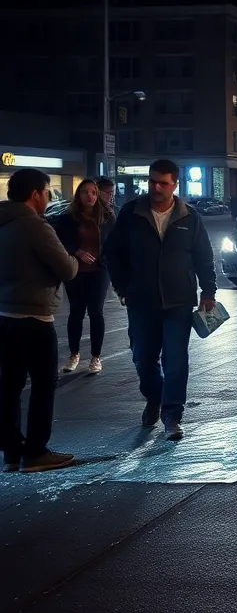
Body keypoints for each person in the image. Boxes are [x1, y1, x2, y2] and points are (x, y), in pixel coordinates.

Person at [105, 159, 217, 441]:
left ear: (174, 185)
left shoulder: (189, 217)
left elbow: (204, 257)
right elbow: (113, 252)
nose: (155, 187)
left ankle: (172, 415)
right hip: (141, 300)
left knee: (175, 360)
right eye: (152, 181)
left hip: (178, 301)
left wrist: (209, 292)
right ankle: (154, 397)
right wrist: (122, 286)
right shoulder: (132, 213)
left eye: (162, 183)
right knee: (143, 358)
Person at [0, 168, 79, 473]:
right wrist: (73, 258)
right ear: (35, 194)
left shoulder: (3, 221)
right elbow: (68, 269)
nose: (49, 197)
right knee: (44, 384)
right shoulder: (36, 227)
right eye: (47, 192)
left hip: (4, 314)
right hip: (34, 317)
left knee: (9, 385)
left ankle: (11, 452)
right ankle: (35, 453)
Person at [53, 179, 116, 375]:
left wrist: (107, 259)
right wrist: (77, 251)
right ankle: (74, 354)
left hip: (99, 271)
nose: (90, 196)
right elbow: (59, 242)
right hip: (75, 271)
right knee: (76, 313)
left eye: (93, 193)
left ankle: (95, 357)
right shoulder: (68, 218)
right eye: (85, 192)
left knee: (96, 312)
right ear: (79, 195)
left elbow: (115, 242)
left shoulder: (107, 217)